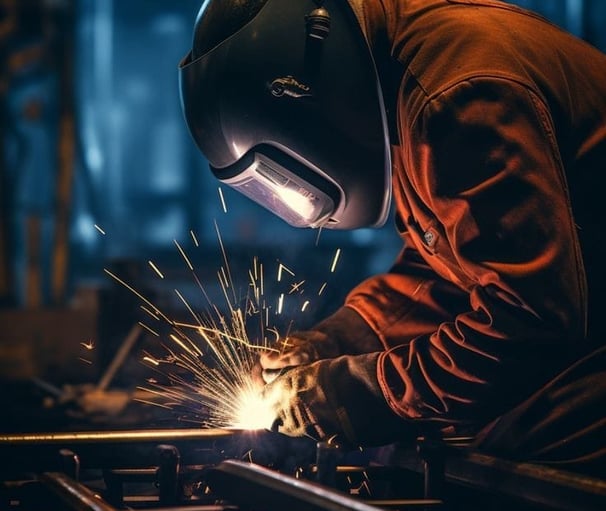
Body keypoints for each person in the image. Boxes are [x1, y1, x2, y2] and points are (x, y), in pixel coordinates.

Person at [179, 0, 606, 475]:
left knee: (505, 451)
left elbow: (527, 323)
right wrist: (339, 339)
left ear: (301, 91)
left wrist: (357, 392)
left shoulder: (456, 95)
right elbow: (453, 271)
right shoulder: (404, 80)